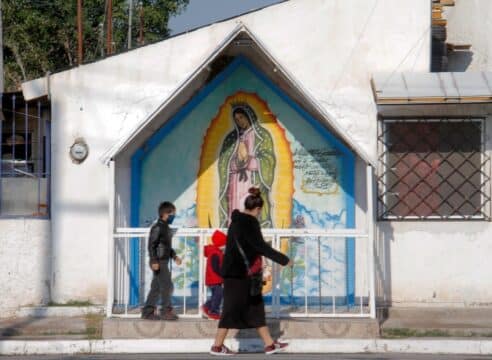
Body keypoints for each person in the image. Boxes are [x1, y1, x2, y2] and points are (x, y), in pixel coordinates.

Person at [210, 188, 293, 356]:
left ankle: (269, 345)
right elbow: (259, 246)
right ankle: (217, 347)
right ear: (258, 209)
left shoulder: (236, 220)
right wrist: (284, 259)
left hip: (239, 273)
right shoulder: (249, 222)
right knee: (231, 309)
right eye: (260, 211)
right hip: (239, 274)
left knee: (255, 308)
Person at [218, 104, 276, 228]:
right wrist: (235, 164)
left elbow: (268, 159)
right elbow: (223, 162)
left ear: (249, 116)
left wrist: (250, 162)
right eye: (237, 119)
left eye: (242, 117)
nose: (240, 121)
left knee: (250, 208)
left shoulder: (262, 136)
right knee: (237, 209)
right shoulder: (232, 138)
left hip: (252, 181)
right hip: (235, 183)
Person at [141, 201, 182, 320]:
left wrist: (174, 256)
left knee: (156, 288)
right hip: (158, 261)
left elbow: (166, 247)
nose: (173, 216)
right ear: (165, 214)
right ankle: (165, 311)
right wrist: (154, 261)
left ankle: (147, 312)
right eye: (172, 214)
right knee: (167, 285)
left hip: (163, 261)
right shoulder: (157, 227)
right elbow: (151, 245)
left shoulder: (166, 227)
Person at [202, 230, 227, 320]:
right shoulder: (215, 253)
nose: (225, 246)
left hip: (215, 279)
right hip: (214, 279)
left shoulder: (218, 252)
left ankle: (207, 306)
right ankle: (213, 311)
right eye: (224, 244)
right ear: (220, 244)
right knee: (218, 294)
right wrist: (223, 274)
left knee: (216, 295)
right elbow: (215, 267)